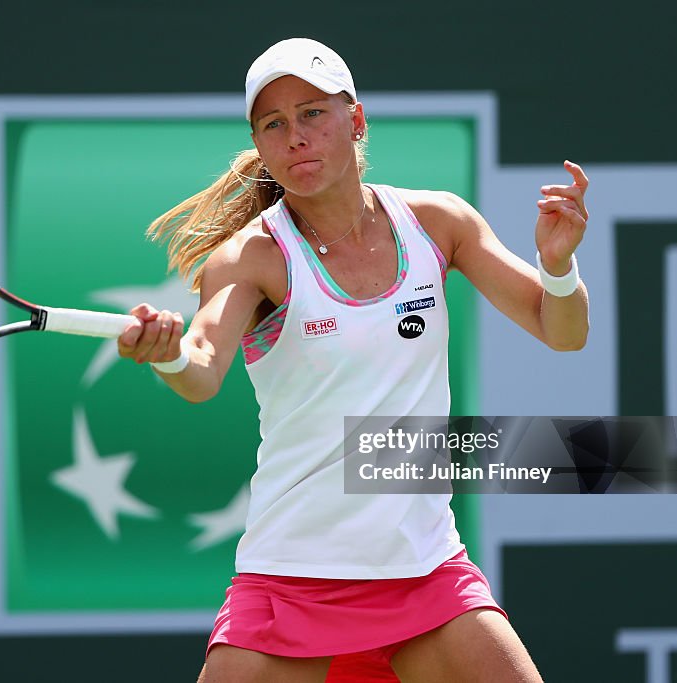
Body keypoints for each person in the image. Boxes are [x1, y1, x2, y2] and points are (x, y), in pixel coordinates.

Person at [117, 38, 589, 683]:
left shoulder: (437, 221)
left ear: (356, 121)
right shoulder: (250, 257)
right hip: (291, 585)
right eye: (274, 124)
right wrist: (168, 354)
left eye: (313, 113)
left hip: (425, 578)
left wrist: (557, 268)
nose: (296, 138)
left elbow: (560, 331)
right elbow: (200, 370)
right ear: (259, 143)